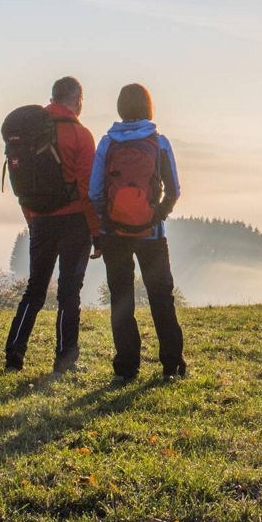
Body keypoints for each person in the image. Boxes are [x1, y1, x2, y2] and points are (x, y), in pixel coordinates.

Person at [3, 76, 100, 374]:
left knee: (34, 290)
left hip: (41, 220)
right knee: (69, 293)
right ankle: (64, 359)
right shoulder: (81, 135)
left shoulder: (29, 132)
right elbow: (88, 188)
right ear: (77, 99)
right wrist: (96, 230)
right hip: (74, 221)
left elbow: (22, 184)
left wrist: (32, 219)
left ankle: (14, 355)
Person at [89, 83, 184, 383]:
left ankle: (127, 368)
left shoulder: (106, 143)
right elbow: (174, 190)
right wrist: (156, 216)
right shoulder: (160, 142)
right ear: (148, 107)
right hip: (152, 234)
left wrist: (109, 221)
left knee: (121, 300)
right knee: (161, 298)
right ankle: (172, 365)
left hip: (114, 234)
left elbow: (94, 192)